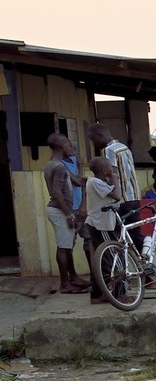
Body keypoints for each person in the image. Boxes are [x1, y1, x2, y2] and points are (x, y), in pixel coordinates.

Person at [43, 134, 90, 294]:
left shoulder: (50, 164)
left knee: (67, 246)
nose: (71, 149)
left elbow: (76, 182)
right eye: (69, 146)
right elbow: (57, 193)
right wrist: (69, 214)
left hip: (57, 209)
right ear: (62, 146)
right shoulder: (60, 167)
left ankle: (73, 278)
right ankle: (65, 284)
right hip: (59, 210)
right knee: (64, 248)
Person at [77, 156, 124, 303]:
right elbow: (117, 196)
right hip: (101, 226)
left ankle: (99, 294)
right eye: (110, 166)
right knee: (111, 260)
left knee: (104, 259)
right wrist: (115, 177)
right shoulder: (96, 182)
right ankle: (112, 294)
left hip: (104, 225)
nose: (112, 168)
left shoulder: (99, 182)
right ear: (104, 170)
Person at [88, 123, 135, 202]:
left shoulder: (108, 150)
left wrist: (93, 182)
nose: (94, 143)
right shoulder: (124, 147)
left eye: (93, 139)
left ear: (100, 134)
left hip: (122, 199)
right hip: (134, 196)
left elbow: (110, 174)